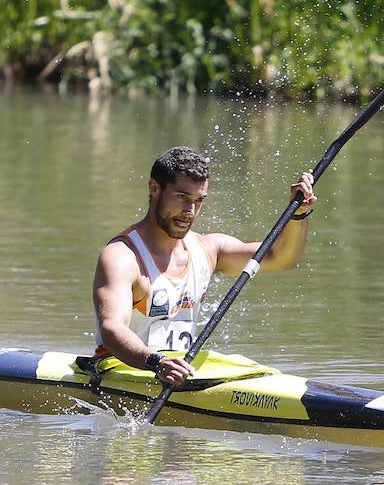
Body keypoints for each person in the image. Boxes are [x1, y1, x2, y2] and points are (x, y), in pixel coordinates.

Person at [92, 145, 316, 387]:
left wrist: (299, 214)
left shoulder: (209, 249)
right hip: (125, 368)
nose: (189, 212)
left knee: (258, 371)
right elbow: (112, 329)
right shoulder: (122, 257)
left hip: (180, 371)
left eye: (199, 201)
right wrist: (156, 362)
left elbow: (281, 258)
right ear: (154, 188)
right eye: (182, 197)